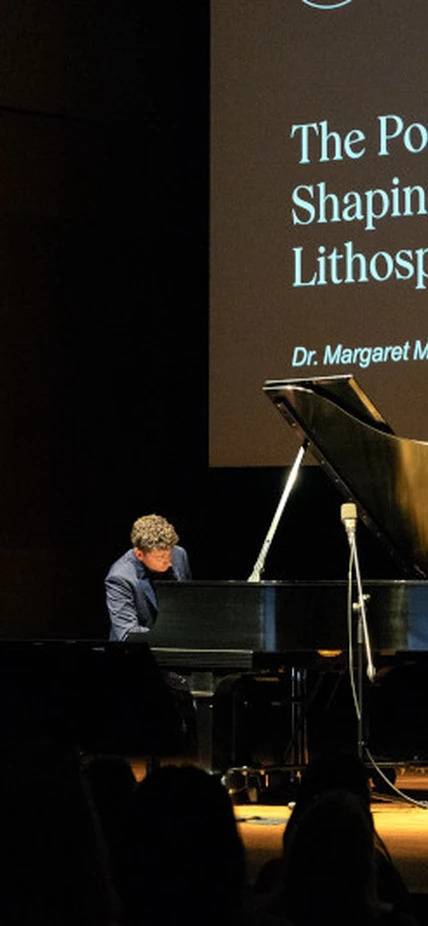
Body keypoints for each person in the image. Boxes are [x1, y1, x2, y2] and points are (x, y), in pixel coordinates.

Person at [105, 513, 191, 642]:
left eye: (170, 555)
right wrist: (170, 636)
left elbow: (186, 603)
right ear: (139, 554)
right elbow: (127, 633)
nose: (169, 563)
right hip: (135, 652)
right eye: (160, 558)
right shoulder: (120, 577)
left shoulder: (179, 554)